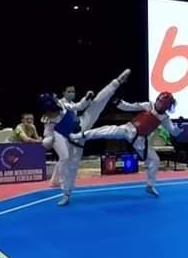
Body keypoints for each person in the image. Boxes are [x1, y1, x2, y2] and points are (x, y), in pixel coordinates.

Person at [40, 69, 130, 206]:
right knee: (71, 167)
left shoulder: (63, 104)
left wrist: (86, 99)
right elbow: (48, 137)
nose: (57, 101)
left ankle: (117, 82)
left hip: (82, 123)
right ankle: (66, 194)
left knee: (97, 103)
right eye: (54, 101)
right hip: (73, 140)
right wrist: (47, 141)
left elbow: (79, 106)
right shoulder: (48, 120)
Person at [71, 89, 182, 199]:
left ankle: (150, 185)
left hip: (140, 141)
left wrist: (178, 127)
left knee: (155, 160)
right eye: (158, 101)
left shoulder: (165, 118)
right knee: (104, 131)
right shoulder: (149, 105)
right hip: (128, 130)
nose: (158, 104)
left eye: (161, 103)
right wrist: (119, 103)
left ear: (166, 106)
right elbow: (131, 107)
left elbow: (174, 132)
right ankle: (78, 136)